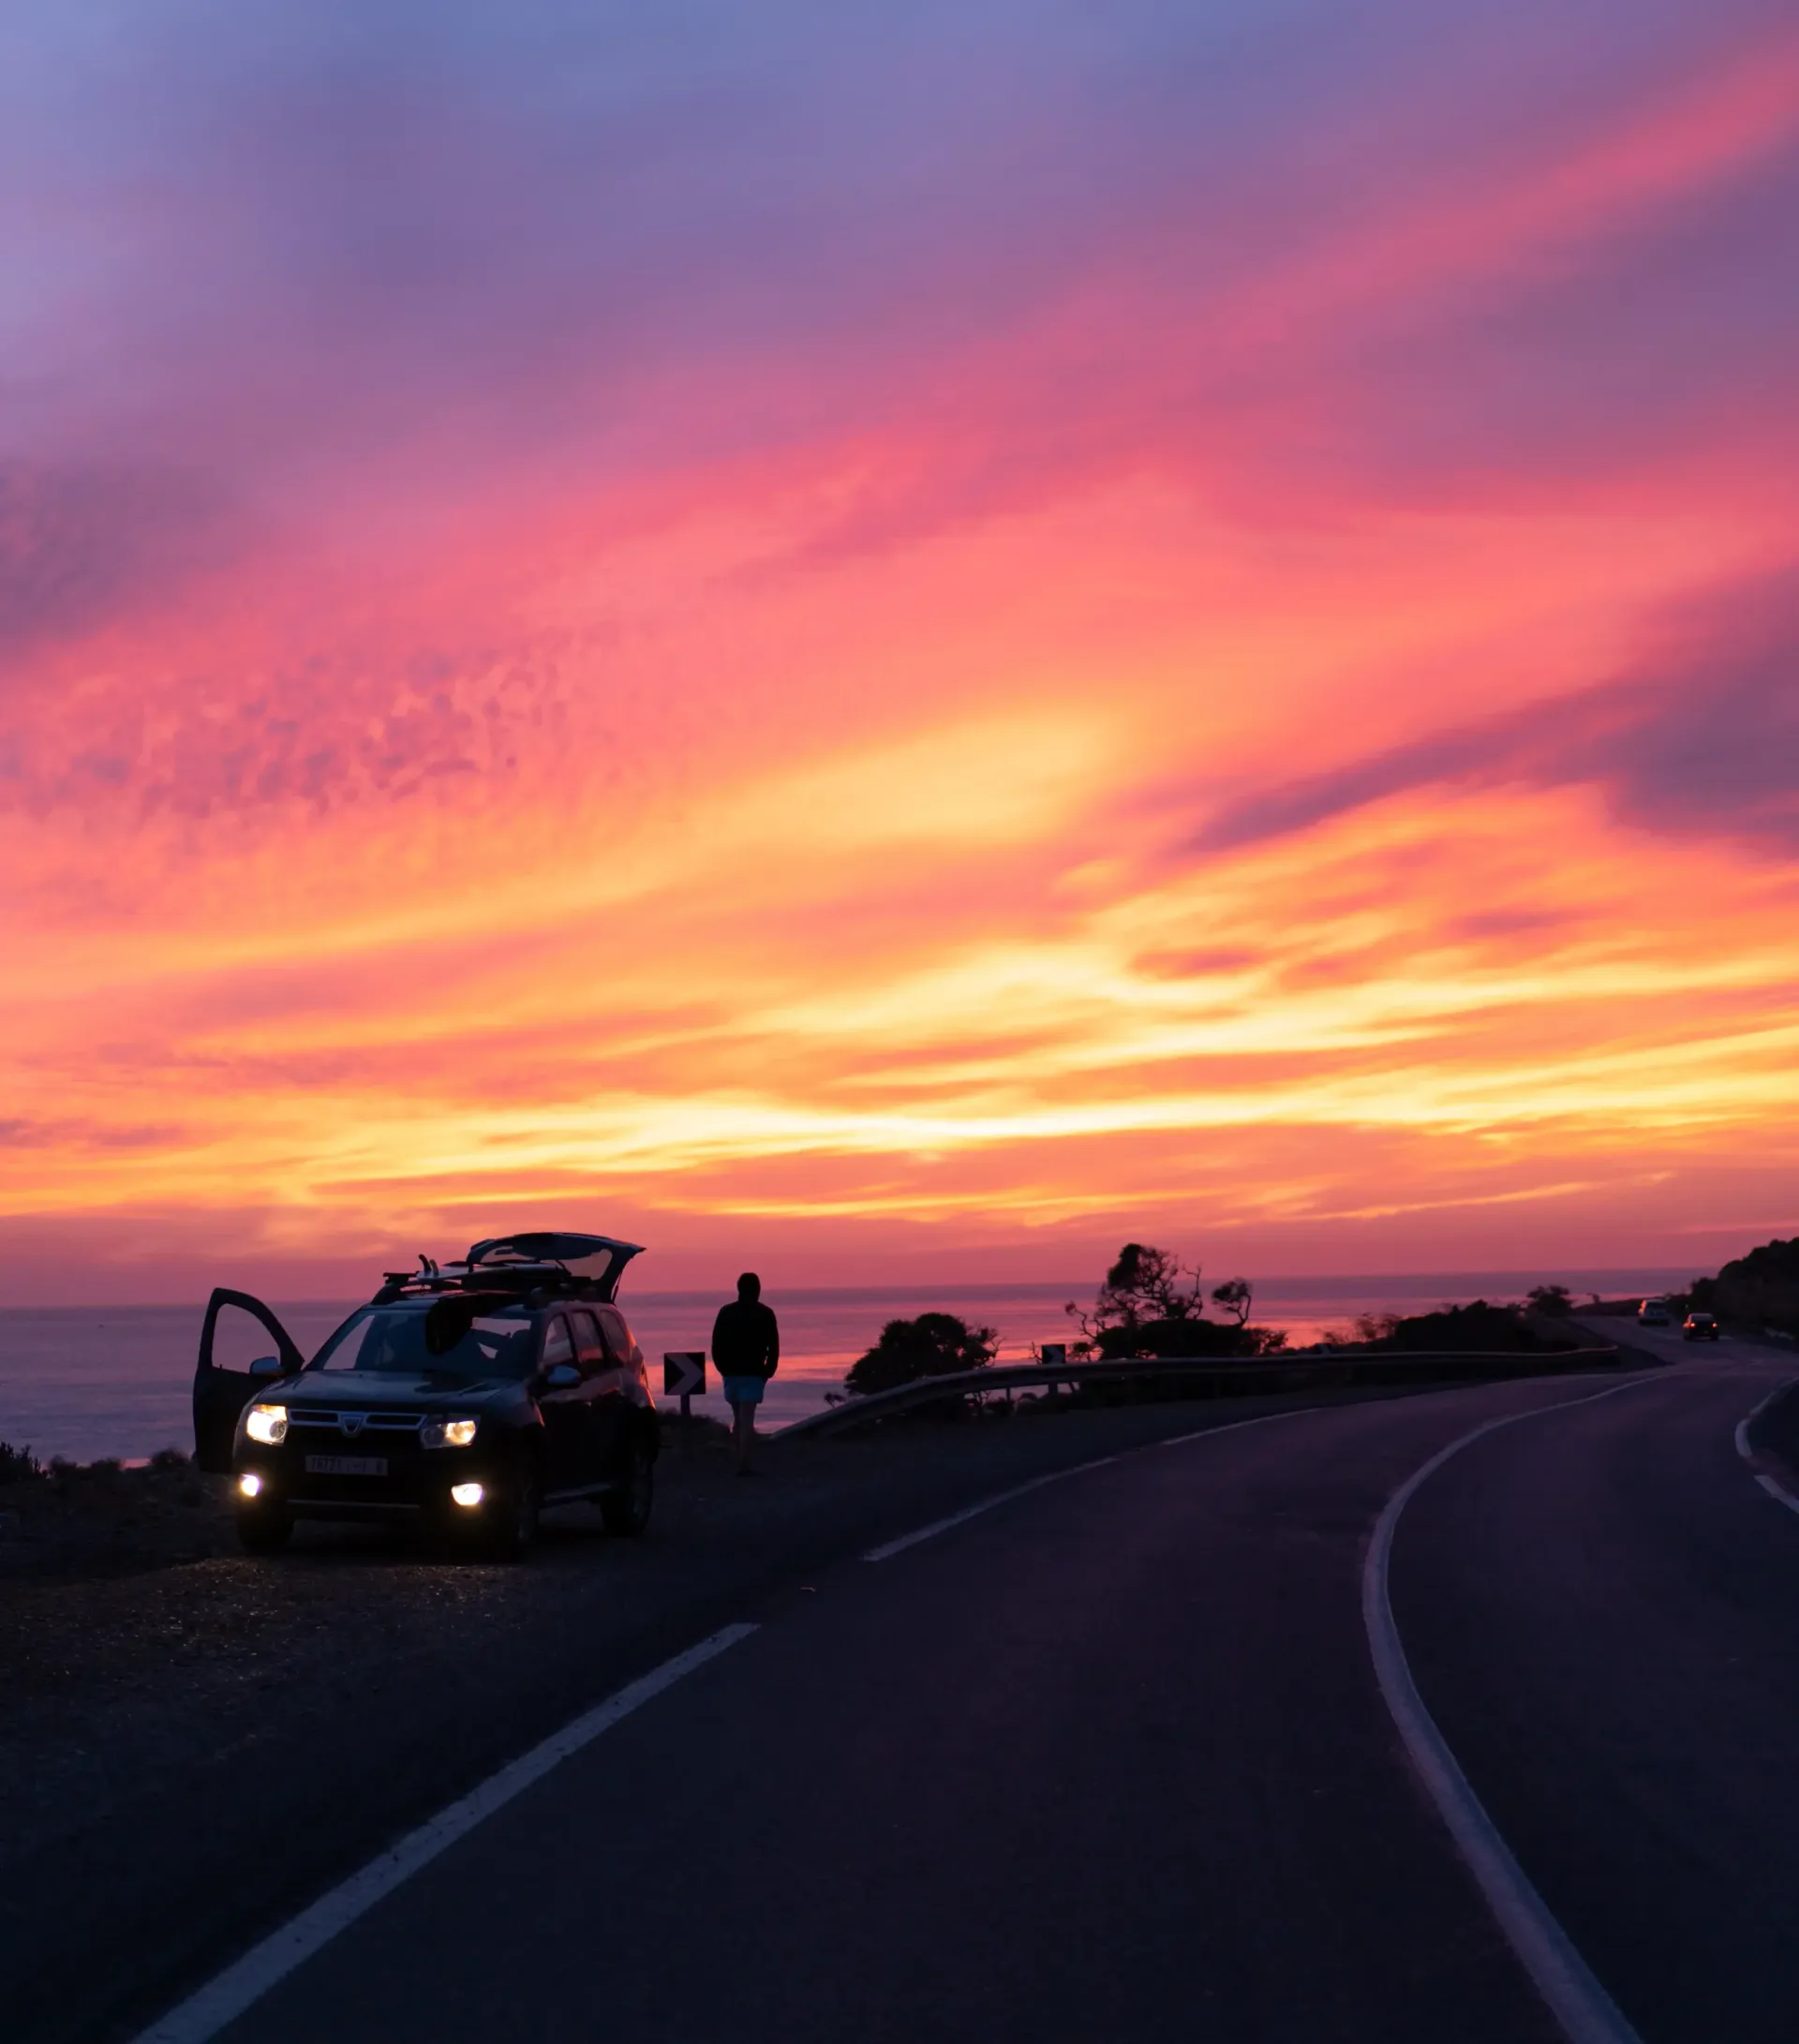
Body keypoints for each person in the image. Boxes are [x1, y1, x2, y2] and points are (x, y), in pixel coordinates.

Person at [711, 1271, 780, 1474]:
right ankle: (744, 1462)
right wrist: (768, 1371)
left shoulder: (726, 1312)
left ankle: (739, 1457)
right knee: (747, 1418)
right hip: (753, 1373)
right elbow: (773, 1345)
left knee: (738, 1418)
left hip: (732, 1373)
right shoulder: (766, 1314)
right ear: (757, 1290)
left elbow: (717, 1346)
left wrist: (723, 1368)